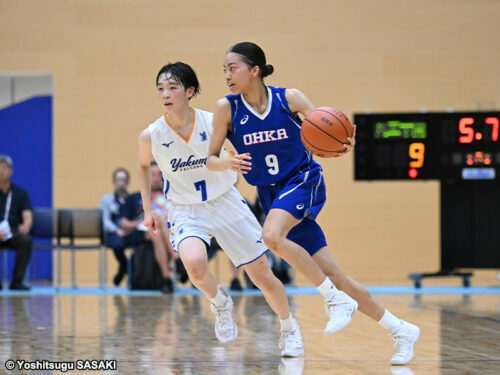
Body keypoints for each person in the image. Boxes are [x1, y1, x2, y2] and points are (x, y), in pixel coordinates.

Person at [206, 42, 420, 365]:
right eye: (223, 69)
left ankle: (333, 301)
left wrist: (344, 141)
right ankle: (400, 329)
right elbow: (210, 159)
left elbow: (327, 128)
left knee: (271, 236)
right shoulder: (227, 108)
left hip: (304, 179)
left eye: (232, 68)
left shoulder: (289, 98)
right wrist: (228, 164)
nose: (226, 75)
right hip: (271, 194)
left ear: (254, 70)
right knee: (336, 274)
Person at [137, 61, 303, 356]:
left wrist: (233, 166)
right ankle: (220, 302)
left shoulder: (213, 121)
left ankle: (289, 328)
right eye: (160, 88)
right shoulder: (151, 135)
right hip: (186, 209)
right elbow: (141, 167)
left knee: (262, 275)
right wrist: (148, 209)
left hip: (225, 202)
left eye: (172, 87)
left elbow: (239, 155)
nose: (165, 93)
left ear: (189, 91)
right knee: (194, 265)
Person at [120, 180, 175, 294]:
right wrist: (142, 221)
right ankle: (177, 259)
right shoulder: (134, 198)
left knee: (159, 225)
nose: (155, 179)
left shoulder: (168, 197)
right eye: (152, 175)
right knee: (157, 226)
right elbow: (124, 223)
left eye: (158, 175)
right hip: (141, 230)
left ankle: (166, 278)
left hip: (164, 230)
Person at [0, 155, 33, 290]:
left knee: (26, 240)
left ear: (11, 171)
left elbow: (27, 214)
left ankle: (17, 281)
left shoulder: (20, 193)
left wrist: (26, 226)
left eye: (4, 168)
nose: (1, 171)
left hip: (13, 231)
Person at [100, 167, 130, 286]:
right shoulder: (107, 200)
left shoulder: (131, 199)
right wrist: (116, 230)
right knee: (118, 243)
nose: (121, 183)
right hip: (114, 233)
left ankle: (129, 271)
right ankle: (126, 267)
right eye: (118, 180)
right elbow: (104, 219)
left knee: (141, 241)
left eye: (123, 180)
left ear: (127, 182)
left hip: (129, 231)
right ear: (114, 181)